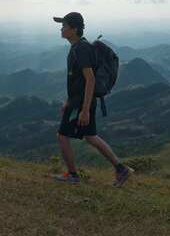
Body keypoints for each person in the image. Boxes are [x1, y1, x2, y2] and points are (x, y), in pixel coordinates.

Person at [51, 12, 133, 187]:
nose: (61, 29)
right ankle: (121, 169)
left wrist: (84, 109)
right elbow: (79, 80)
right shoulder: (79, 47)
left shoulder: (81, 49)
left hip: (81, 103)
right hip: (79, 100)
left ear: (74, 29)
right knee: (90, 137)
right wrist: (68, 99)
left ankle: (72, 175)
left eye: (64, 26)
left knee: (62, 136)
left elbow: (90, 79)